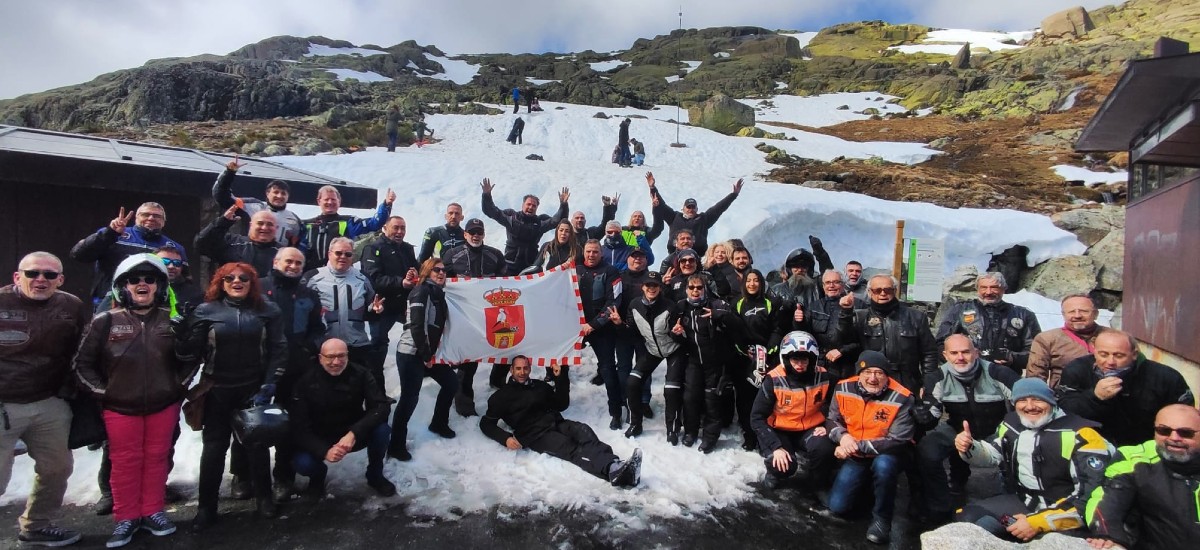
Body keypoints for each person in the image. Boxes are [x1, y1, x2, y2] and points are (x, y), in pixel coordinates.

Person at [73, 254, 198, 547]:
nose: (142, 284)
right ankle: (126, 516)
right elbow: (83, 363)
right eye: (134, 279)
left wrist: (177, 386)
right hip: (120, 407)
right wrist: (104, 392)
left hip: (162, 404)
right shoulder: (105, 321)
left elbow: (190, 359)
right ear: (122, 285)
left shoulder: (172, 320)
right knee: (125, 461)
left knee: (157, 458)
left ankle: (153, 510)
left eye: (149, 279)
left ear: (159, 285)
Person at [176, 262, 287, 529]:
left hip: (252, 388)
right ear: (220, 282)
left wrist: (270, 383)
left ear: (252, 283)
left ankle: (264, 498)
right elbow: (191, 353)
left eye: (244, 278)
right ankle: (206, 508)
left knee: (257, 446)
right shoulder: (206, 311)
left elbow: (278, 349)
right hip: (217, 389)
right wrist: (182, 335)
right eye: (230, 278)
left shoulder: (268, 311)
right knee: (213, 449)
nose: (237, 282)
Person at [1, 252, 89, 547]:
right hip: (4, 403)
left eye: (50, 275)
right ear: (17, 277)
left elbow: (83, 349)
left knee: (57, 468)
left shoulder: (71, 306)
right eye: (33, 273)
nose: (41, 279)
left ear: (60, 280)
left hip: (49, 400)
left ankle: (37, 525)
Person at [955, 378, 1114, 542]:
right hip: (1025, 503)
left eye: (1038, 399)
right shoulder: (1011, 423)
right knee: (968, 519)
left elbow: (1091, 497)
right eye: (1022, 400)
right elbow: (993, 454)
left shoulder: (1082, 434)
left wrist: (1037, 522)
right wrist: (970, 446)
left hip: (1067, 514)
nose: (1030, 406)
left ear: (1052, 401)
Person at [480, 356, 642, 487]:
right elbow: (486, 424)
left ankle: (615, 464)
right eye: (518, 369)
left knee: (583, 431)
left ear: (530, 368)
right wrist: (505, 438)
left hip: (556, 422)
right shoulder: (501, 397)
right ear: (511, 370)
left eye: (525, 368)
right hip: (535, 435)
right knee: (571, 448)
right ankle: (611, 470)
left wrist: (560, 378)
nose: (522, 372)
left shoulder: (539, 386)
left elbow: (561, 404)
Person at [914, 335, 1019, 525]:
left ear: (976, 353)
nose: (960, 357)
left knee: (1020, 444)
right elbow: (931, 418)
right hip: (956, 429)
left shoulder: (999, 373)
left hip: (997, 430)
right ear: (945, 355)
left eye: (965, 352)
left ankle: (1015, 500)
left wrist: (1012, 432)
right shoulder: (936, 377)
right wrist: (920, 413)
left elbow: (1026, 404)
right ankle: (941, 505)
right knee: (927, 448)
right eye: (954, 353)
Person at [825, 350, 916, 545]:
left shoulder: (903, 397)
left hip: (886, 453)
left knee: (884, 467)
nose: (873, 378)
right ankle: (864, 488)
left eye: (879, 373)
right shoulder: (843, 387)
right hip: (856, 454)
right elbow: (832, 419)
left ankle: (882, 519)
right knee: (837, 507)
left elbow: (898, 440)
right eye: (867, 372)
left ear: (887, 375)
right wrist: (843, 437)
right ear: (859, 373)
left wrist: (854, 446)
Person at [290, 338, 395, 499]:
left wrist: (354, 433)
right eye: (330, 357)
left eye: (341, 356)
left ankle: (375, 474)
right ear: (320, 358)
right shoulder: (305, 381)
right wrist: (324, 451)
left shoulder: (361, 373)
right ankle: (317, 477)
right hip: (320, 436)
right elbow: (298, 427)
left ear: (348, 356)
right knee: (302, 462)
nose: (336, 362)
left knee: (382, 431)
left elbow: (381, 406)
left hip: (351, 433)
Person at [1086, 404, 1200, 549]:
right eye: (1164, 431)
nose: (1174, 438)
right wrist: (1107, 535)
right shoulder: (1135, 458)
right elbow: (1106, 502)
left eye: (1185, 433)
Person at [260, 247, 324, 501]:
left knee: (290, 424)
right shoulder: (257, 287)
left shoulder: (309, 294)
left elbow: (317, 329)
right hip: (260, 368)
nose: (294, 266)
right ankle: (246, 476)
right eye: (289, 261)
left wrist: (307, 349)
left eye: (299, 263)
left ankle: (283, 476)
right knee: (255, 424)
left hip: (297, 369)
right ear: (276, 262)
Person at [1056, 330, 1193, 448]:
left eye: (1119, 356)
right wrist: (1095, 397)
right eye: (1103, 354)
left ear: (1134, 354)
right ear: (1094, 350)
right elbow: (1064, 410)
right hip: (1092, 444)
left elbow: (1184, 414)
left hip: (1146, 446)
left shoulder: (1164, 377)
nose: (1110, 362)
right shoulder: (1077, 369)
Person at [389, 258, 458, 460]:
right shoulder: (422, 291)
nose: (441, 273)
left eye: (444, 271)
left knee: (451, 383)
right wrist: (426, 356)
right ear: (427, 272)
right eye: (436, 270)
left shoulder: (438, 294)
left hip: (428, 353)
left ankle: (438, 423)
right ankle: (396, 445)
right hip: (411, 353)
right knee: (409, 398)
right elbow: (418, 325)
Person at [750, 331, 836, 488]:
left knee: (825, 449)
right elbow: (756, 417)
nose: (799, 364)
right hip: (779, 430)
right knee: (783, 465)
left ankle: (817, 483)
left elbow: (835, 405)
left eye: (804, 359)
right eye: (795, 358)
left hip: (810, 428)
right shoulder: (773, 379)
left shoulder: (824, 376)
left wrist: (827, 425)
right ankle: (773, 471)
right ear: (786, 358)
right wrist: (775, 446)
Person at [441, 218, 505, 416]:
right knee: (468, 360)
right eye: (472, 232)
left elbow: (506, 281)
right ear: (465, 234)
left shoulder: (495, 255)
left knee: (506, 344)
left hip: (489, 313)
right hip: (462, 314)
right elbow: (441, 279)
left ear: (484, 234)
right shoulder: (452, 255)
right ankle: (464, 403)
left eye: (479, 232)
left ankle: (498, 381)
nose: (476, 235)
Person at [70, 203, 188, 310]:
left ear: (164, 221)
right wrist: (110, 233)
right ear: (136, 218)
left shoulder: (174, 247)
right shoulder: (114, 234)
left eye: (157, 216)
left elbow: (184, 280)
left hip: (156, 306)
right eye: (145, 214)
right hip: (112, 301)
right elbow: (80, 255)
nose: (151, 218)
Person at [303, 238, 384, 387]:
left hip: (356, 345)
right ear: (329, 254)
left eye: (348, 254)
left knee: (358, 390)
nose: (343, 257)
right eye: (338, 253)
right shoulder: (312, 277)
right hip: (324, 347)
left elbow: (372, 308)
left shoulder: (363, 277)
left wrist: (375, 311)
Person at [838, 274, 938, 394]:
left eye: (888, 290)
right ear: (869, 292)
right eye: (877, 290)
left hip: (907, 382)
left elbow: (929, 353)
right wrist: (846, 312)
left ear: (895, 291)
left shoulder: (916, 317)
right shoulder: (860, 317)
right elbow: (844, 339)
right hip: (871, 382)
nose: (883, 293)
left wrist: (928, 384)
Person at [675, 274, 740, 452]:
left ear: (705, 289)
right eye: (692, 288)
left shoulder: (716, 304)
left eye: (699, 287)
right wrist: (676, 333)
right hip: (694, 361)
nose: (695, 291)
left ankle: (710, 437)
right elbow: (673, 334)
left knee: (712, 400)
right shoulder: (681, 307)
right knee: (690, 398)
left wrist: (719, 316)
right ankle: (690, 432)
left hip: (715, 362)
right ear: (686, 289)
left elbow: (737, 324)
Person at [936, 272, 1041, 373]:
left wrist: (1011, 357)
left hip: (1007, 376)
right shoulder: (960, 310)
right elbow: (941, 344)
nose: (988, 292)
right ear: (977, 289)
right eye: (984, 287)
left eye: (994, 287)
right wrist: (964, 360)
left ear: (1004, 289)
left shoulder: (1023, 315)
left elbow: (1037, 352)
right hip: (967, 376)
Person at [733, 269, 787, 451]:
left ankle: (766, 432)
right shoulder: (738, 304)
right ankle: (749, 433)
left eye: (756, 280)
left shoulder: (771, 302)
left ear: (761, 283)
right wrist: (742, 349)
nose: (752, 284)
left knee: (765, 396)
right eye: (749, 281)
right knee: (744, 398)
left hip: (767, 357)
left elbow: (778, 328)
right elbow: (734, 329)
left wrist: (769, 349)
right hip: (745, 358)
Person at [360, 216, 419, 376]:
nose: (400, 232)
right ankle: (375, 387)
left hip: (404, 303)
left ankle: (420, 369)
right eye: (396, 228)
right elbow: (373, 279)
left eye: (403, 228)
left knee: (420, 331)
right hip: (382, 305)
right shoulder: (372, 248)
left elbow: (416, 269)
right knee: (378, 344)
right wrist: (402, 283)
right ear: (385, 228)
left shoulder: (407, 248)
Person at [577, 240, 625, 429]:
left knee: (607, 369)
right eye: (588, 251)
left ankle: (616, 412)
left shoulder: (611, 271)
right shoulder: (575, 269)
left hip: (601, 328)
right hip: (577, 326)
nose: (591, 255)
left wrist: (594, 324)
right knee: (560, 361)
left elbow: (614, 301)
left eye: (595, 252)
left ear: (601, 253)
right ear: (584, 252)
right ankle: (558, 400)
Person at [481, 178, 570, 274]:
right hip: (509, 264)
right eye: (528, 204)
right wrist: (486, 195)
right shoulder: (512, 217)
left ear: (537, 208)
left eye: (534, 206)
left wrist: (563, 205)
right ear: (523, 205)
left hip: (530, 266)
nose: (531, 207)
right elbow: (493, 212)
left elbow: (558, 221)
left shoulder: (540, 222)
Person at [647, 171, 742, 256]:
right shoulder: (674, 217)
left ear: (697, 209)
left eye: (693, 207)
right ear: (683, 208)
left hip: (698, 256)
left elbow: (719, 208)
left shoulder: (704, 219)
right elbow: (661, 205)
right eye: (688, 207)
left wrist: (733, 195)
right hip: (675, 256)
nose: (691, 209)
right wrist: (652, 188)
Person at [211, 158, 304, 246]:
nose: (279, 196)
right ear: (267, 193)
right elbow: (222, 196)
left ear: (288, 197)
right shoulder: (253, 206)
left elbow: (297, 246)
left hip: (277, 260)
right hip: (249, 255)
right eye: (275, 192)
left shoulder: (294, 219)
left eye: (283, 193)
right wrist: (229, 172)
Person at [299, 185, 394, 267]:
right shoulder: (307, 225)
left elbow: (374, 224)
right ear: (319, 201)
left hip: (340, 273)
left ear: (339, 201)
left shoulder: (348, 221)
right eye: (326, 199)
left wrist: (387, 204)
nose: (330, 202)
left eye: (333, 199)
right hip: (312, 275)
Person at [1027, 294, 1107, 388]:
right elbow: (1035, 377)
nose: (1077, 316)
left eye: (1084, 311)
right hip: (1065, 396)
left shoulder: (1114, 337)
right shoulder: (1047, 339)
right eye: (1071, 312)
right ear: (1063, 315)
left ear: (1096, 314)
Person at [614, 251, 655, 425]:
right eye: (633, 256)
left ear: (646, 260)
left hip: (645, 332)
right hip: (622, 329)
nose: (637, 259)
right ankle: (625, 398)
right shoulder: (619, 277)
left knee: (644, 368)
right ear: (627, 259)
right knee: (623, 367)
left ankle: (644, 400)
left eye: (641, 257)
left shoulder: (652, 277)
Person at [194, 206, 281, 277]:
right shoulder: (231, 242)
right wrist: (222, 223)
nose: (264, 228)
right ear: (251, 225)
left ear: (276, 228)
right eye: (260, 223)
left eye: (270, 224)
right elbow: (201, 245)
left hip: (267, 297)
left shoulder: (283, 252)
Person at [806, 269, 859, 381]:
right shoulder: (814, 306)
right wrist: (798, 321)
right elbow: (806, 335)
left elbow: (862, 340)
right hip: (819, 365)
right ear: (823, 286)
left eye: (836, 282)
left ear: (843, 284)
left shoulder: (858, 305)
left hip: (847, 366)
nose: (832, 286)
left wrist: (842, 351)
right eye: (828, 283)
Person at [767, 237, 834, 318]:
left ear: (809, 269)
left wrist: (821, 253)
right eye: (796, 266)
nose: (800, 270)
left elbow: (828, 275)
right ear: (789, 269)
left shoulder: (817, 287)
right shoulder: (776, 291)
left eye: (804, 266)